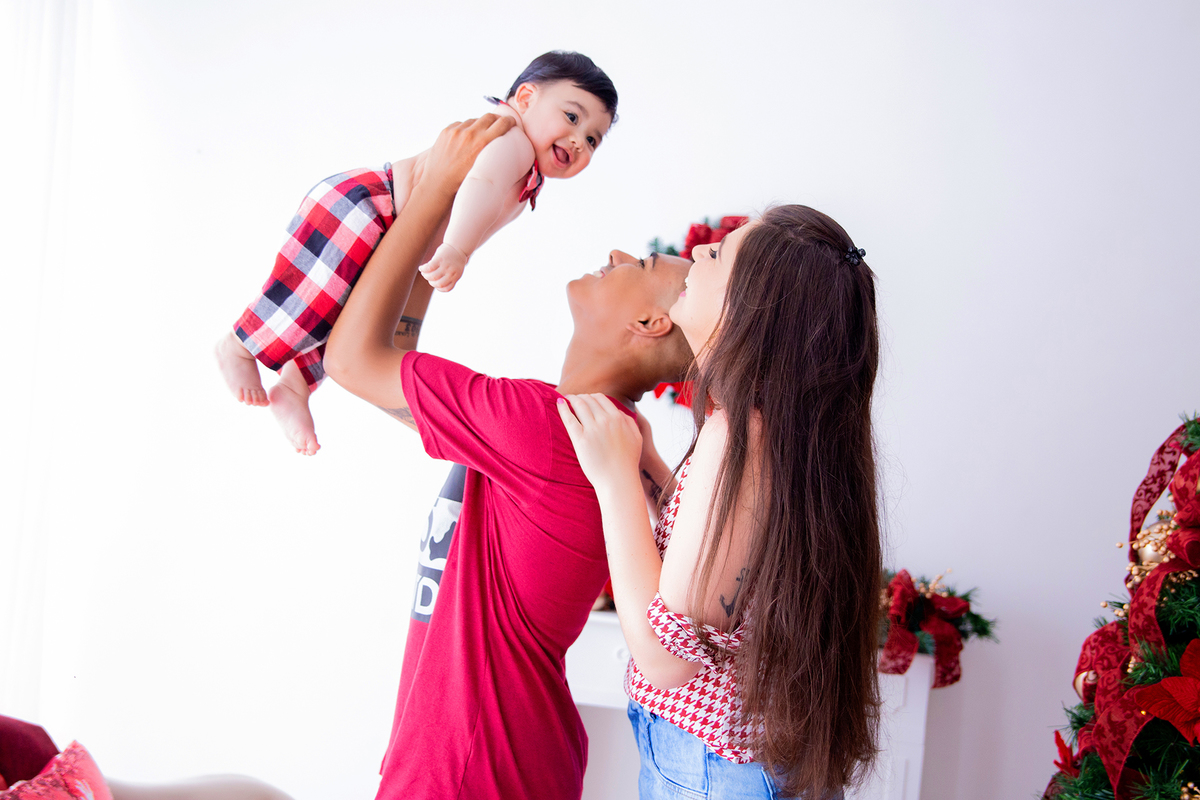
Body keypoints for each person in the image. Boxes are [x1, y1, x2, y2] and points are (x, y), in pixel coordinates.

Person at [321, 115, 694, 800]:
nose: (616, 253)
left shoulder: (545, 428)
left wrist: (434, 193)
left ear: (650, 325)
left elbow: (349, 361)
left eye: (639, 266)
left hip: (470, 773)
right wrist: (443, 242)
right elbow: (387, 372)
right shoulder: (594, 430)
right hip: (490, 764)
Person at [558, 206, 883, 799]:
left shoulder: (743, 436)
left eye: (715, 256)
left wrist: (614, 482)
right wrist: (652, 470)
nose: (695, 257)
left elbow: (666, 658)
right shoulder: (780, 438)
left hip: (712, 772)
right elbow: (703, 571)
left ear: (746, 311)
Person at [214, 51, 617, 455]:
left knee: (335, 316)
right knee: (308, 296)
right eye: (571, 117)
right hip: (367, 208)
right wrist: (457, 249)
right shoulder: (511, 139)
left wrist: (458, 250)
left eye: (592, 140)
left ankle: (294, 385)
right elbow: (481, 183)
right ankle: (239, 344)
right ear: (526, 98)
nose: (578, 140)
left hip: (389, 235)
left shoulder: (529, 176)